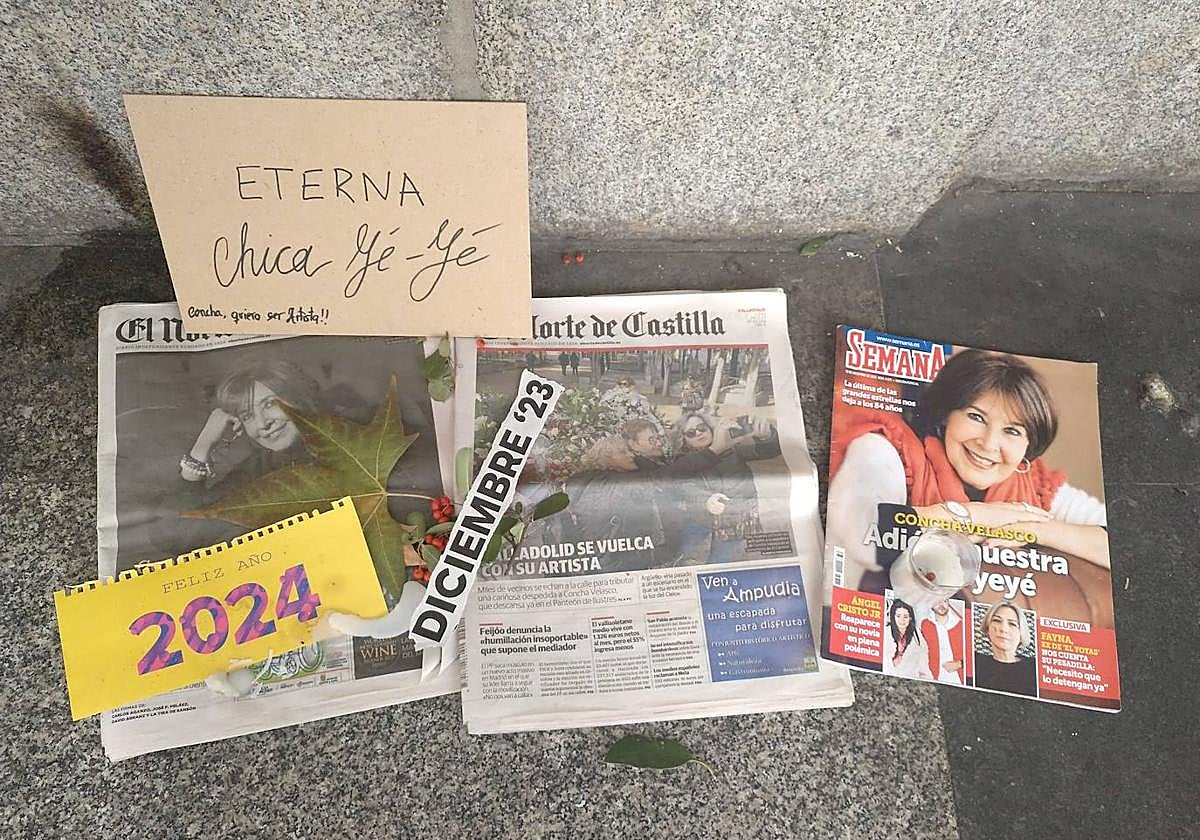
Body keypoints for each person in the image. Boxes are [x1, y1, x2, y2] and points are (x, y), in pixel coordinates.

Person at [827, 349, 1109, 593]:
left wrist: (1036, 530)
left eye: (1012, 431)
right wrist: (973, 518)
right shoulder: (886, 449)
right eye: (976, 417)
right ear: (945, 415)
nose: (988, 444)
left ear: (1028, 447)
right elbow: (865, 536)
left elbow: (1118, 546)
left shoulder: (1035, 485)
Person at [666, 411, 780, 565]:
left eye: (702, 428)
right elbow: (683, 486)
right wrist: (706, 500)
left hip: (734, 518)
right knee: (682, 555)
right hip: (701, 518)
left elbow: (766, 451)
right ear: (683, 439)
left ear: (710, 428)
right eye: (691, 433)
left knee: (719, 560)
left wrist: (767, 437)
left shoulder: (731, 448)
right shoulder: (685, 462)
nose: (698, 433)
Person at [972, 601, 1037, 696]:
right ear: (987, 627)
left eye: (1012, 624)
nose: (1003, 629)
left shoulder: (1035, 668)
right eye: (997, 621)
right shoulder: (974, 661)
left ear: (1021, 633)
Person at [883, 598, 931, 679]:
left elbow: (924, 659)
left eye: (905, 617)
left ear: (910, 618)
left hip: (911, 678)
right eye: (898, 616)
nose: (902, 620)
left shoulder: (917, 635)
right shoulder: (886, 632)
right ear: (893, 617)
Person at [920, 599, 965, 684]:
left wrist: (960, 664)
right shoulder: (925, 624)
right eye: (937, 601)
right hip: (934, 678)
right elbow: (921, 651)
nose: (941, 604)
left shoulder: (961, 624)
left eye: (944, 601)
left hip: (959, 678)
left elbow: (973, 655)